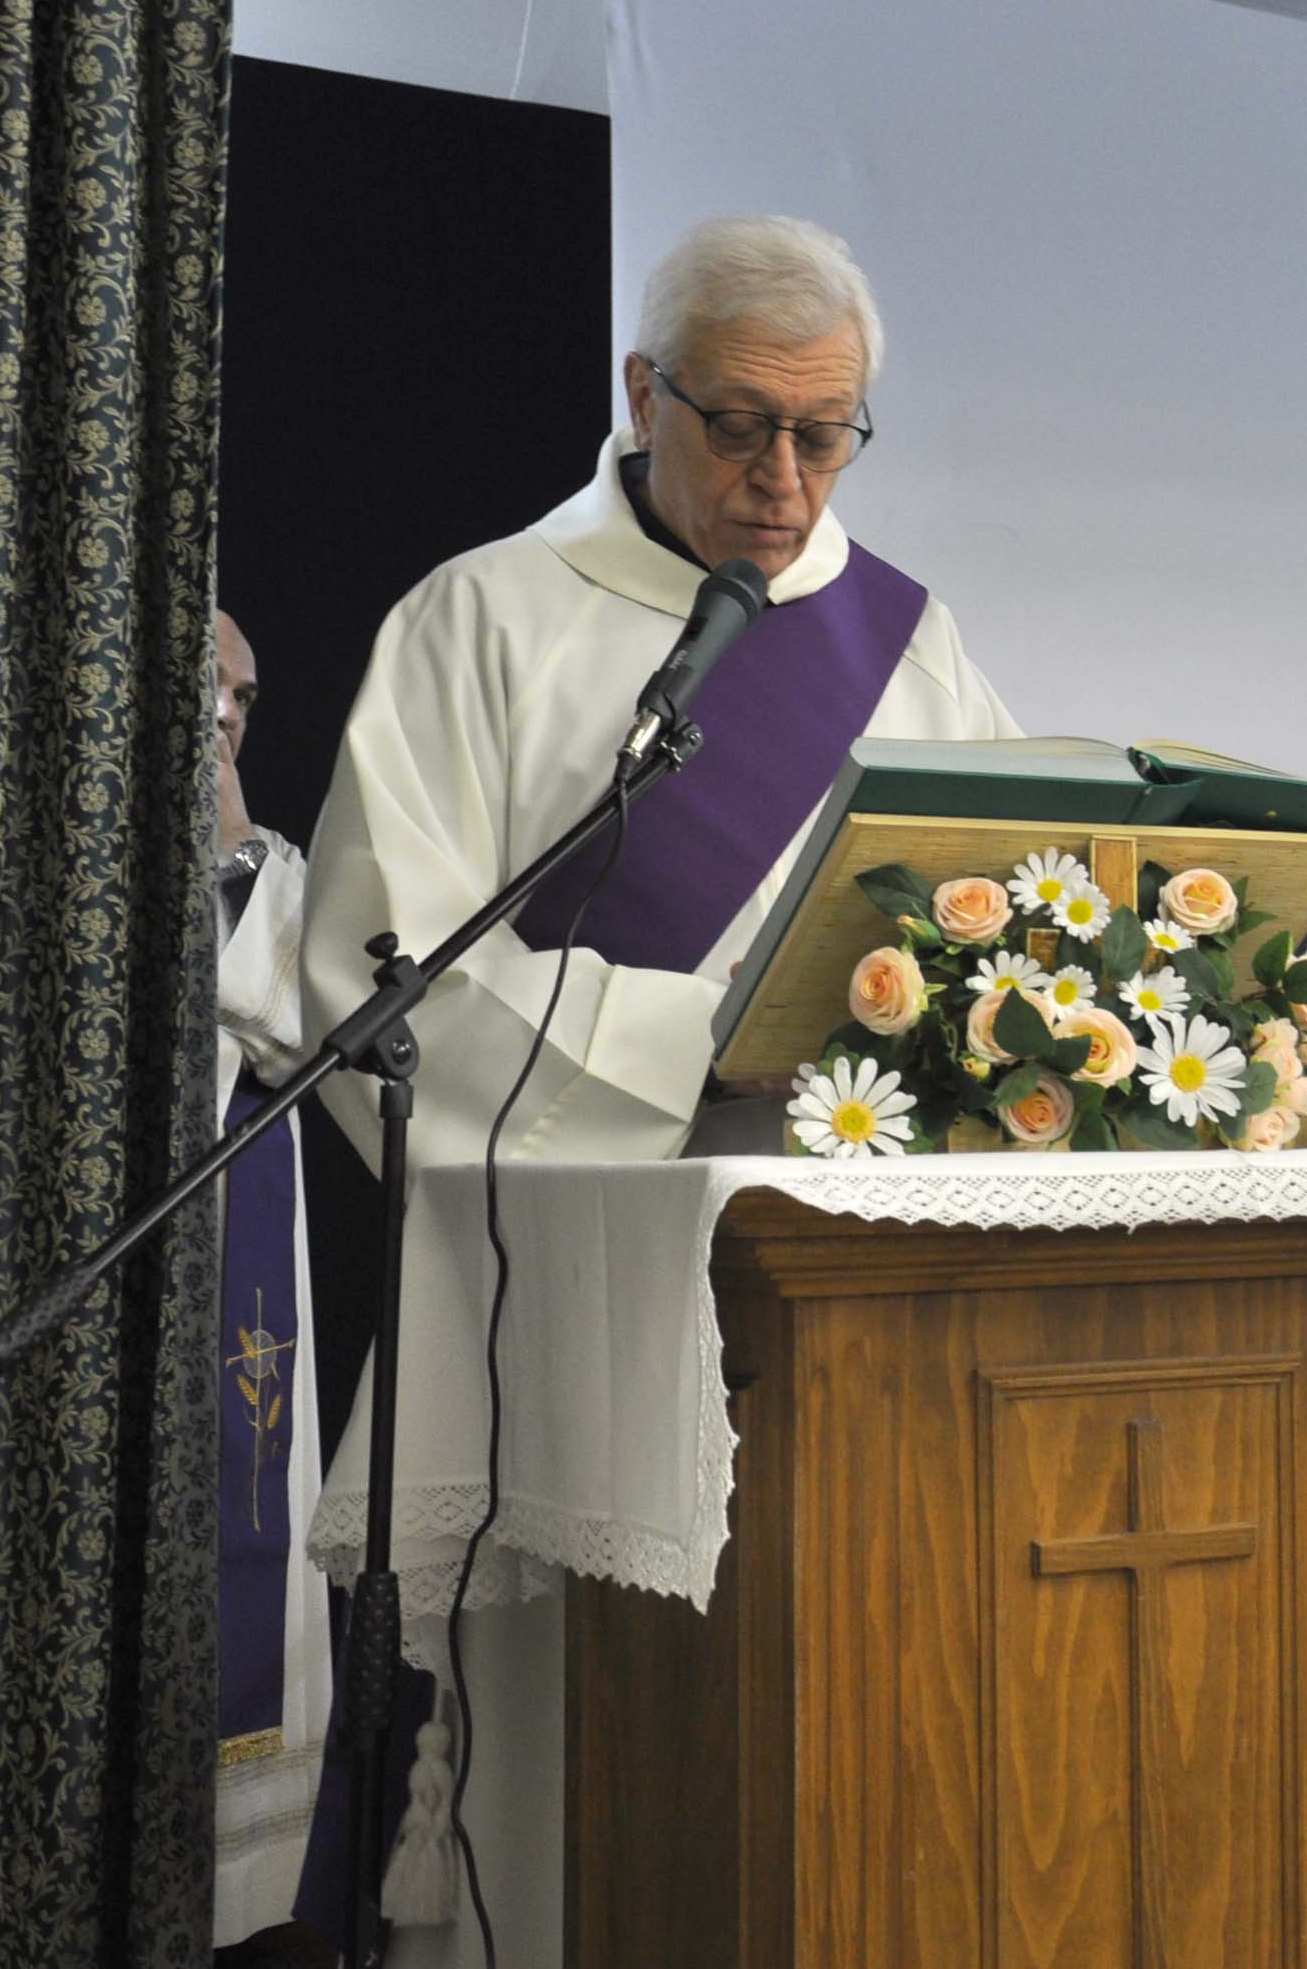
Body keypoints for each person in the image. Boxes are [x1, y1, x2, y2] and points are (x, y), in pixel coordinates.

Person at [298, 215, 1017, 1959]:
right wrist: (702, 1049)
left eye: (825, 434)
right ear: (644, 394)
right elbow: (380, 976)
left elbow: (1005, 915)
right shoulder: (482, 617)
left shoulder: (907, 643)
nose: (786, 480)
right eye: (743, 426)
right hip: (567, 1271)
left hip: (847, 1297)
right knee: (558, 1756)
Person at [208, 612, 335, 1965]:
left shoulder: (267, 866)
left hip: (240, 1263)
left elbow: (297, 1015)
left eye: (245, 697)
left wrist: (234, 832)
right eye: (208, 689)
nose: (231, 715)